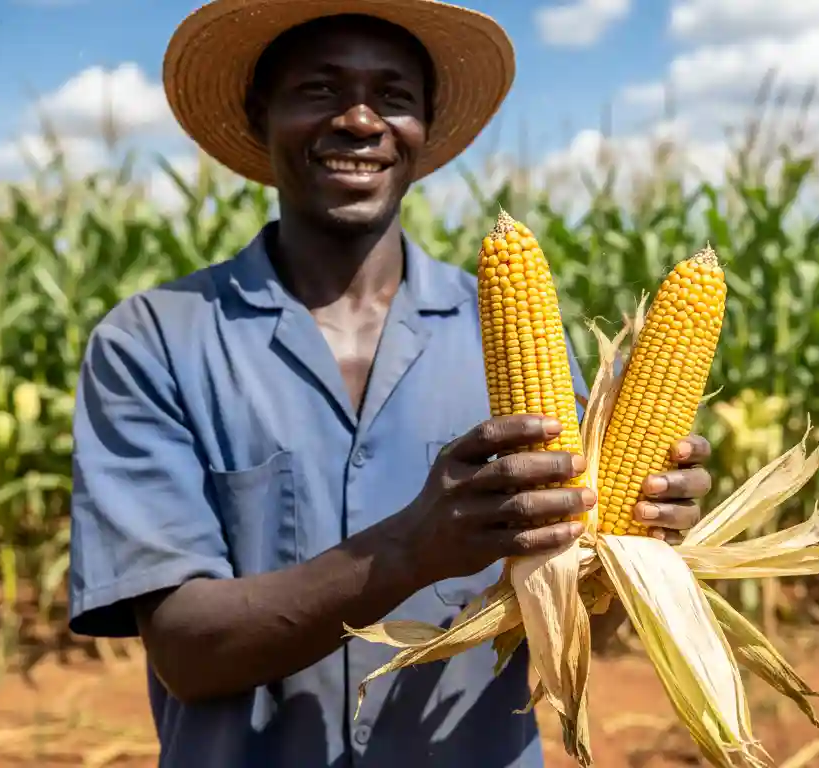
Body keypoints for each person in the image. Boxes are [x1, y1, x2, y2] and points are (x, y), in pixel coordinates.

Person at [67, 2, 717, 766]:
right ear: (259, 113)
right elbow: (186, 651)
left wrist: (637, 546)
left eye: (394, 96)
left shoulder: (498, 326)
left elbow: (570, 628)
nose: (360, 120)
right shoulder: (152, 341)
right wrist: (412, 546)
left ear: (424, 128)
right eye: (319, 89)